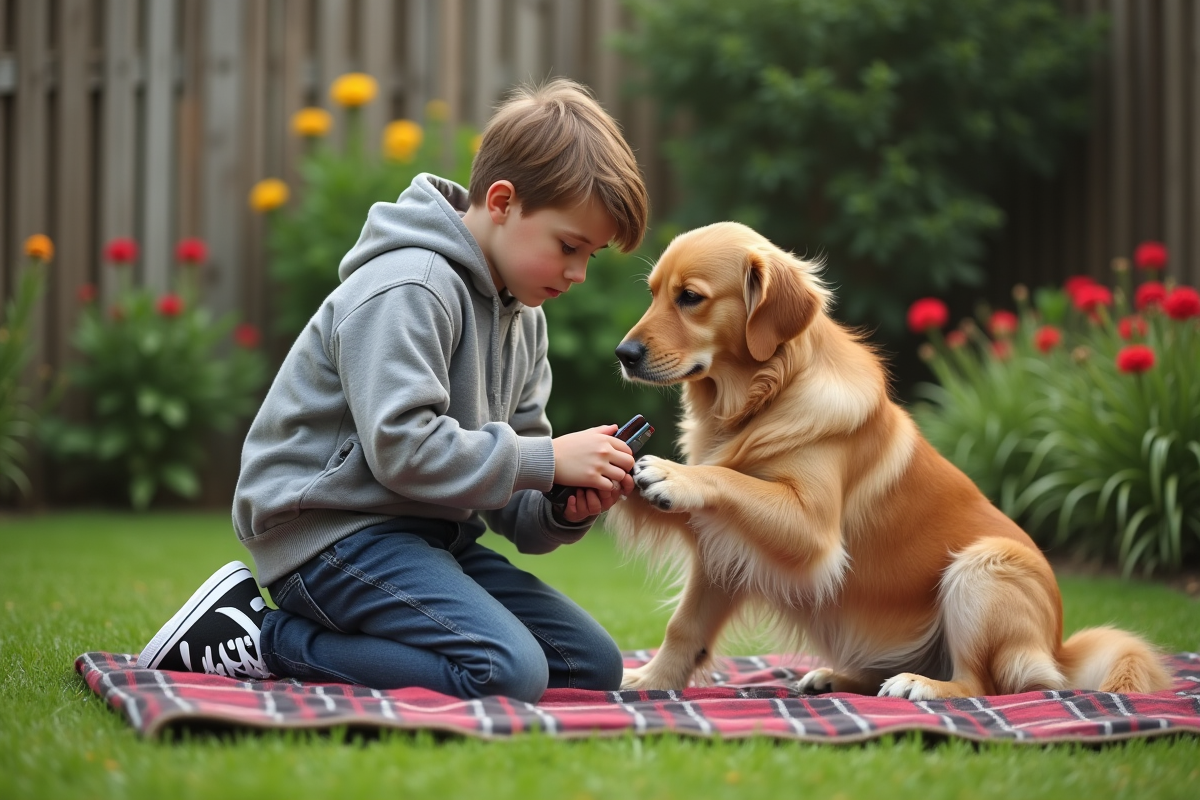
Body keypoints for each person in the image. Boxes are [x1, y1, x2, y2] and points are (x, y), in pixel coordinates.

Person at [135, 79, 649, 703]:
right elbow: (402, 450)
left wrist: (562, 505)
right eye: (569, 246)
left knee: (589, 664)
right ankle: (260, 636)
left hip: (429, 538)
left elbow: (513, 504)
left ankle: (359, 641)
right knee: (507, 671)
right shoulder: (411, 286)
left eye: (592, 255)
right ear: (503, 202)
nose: (579, 273)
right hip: (332, 535)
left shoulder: (526, 319)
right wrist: (545, 459)